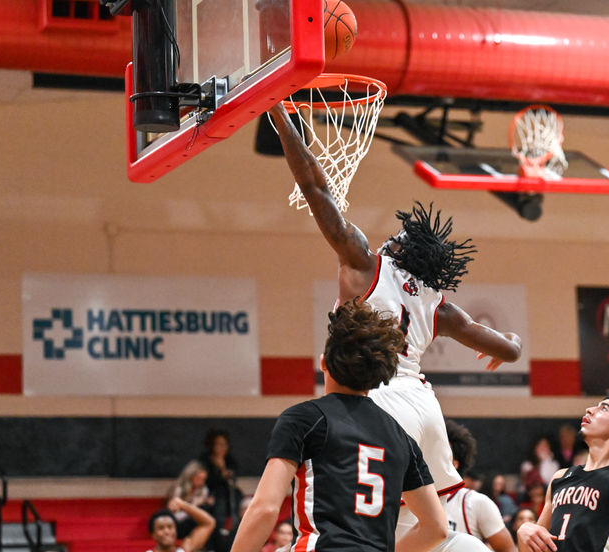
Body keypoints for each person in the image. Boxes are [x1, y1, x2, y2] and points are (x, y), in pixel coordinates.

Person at [270, 102, 522, 543]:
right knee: (430, 523)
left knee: (339, 517)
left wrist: (280, 118)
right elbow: (510, 350)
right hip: (425, 406)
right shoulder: (438, 303)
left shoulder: (365, 263)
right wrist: (510, 340)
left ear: (400, 248)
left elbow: (315, 186)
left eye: (396, 236)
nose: (388, 237)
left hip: (374, 398)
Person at [228, 300, 448, 552]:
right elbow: (436, 528)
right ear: (378, 374)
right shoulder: (401, 437)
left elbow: (265, 509)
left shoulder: (304, 419)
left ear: (324, 362)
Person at [516, 385, 609, 552]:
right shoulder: (560, 477)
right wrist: (525, 532)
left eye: (604, 408)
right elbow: (536, 548)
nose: (589, 410)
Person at [444, 420, 517, 552]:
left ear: (455, 463)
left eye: (441, 451)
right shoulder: (411, 501)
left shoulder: (476, 502)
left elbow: (508, 550)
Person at [200, 428, 244, 535]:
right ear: (212, 445)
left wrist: (222, 467)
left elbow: (232, 480)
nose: (222, 448)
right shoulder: (204, 460)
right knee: (218, 502)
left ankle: (235, 531)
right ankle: (219, 532)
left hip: (230, 493)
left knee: (238, 497)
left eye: (224, 444)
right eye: (219, 444)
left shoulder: (230, 460)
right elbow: (207, 481)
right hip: (210, 493)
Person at [167, 460, 216, 538]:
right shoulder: (179, 488)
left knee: (207, 510)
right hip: (178, 520)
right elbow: (173, 511)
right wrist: (189, 507)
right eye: (199, 479)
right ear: (190, 477)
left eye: (203, 479)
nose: (201, 483)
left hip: (193, 520)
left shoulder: (203, 490)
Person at [148, 497, 216, 552]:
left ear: (176, 530)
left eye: (170, 527)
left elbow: (209, 523)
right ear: (154, 535)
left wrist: (182, 505)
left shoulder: (184, 550)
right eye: (161, 528)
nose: (166, 531)